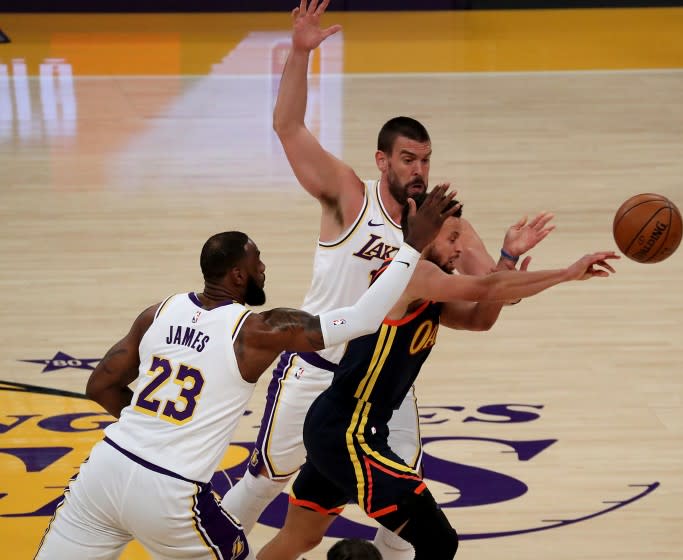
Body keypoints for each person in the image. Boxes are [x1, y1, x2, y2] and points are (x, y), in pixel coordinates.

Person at [220, 4, 555, 557]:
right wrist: (301, 51)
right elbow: (287, 127)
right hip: (316, 371)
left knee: (405, 523)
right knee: (261, 484)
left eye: (425, 159)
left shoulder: (451, 225)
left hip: (382, 390)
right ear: (383, 161)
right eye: (407, 158)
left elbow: (489, 301)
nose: (418, 170)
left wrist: (507, 256)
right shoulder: (351, 197)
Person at [33, 188, 457, 560]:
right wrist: (411, 247)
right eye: (258, 262)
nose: (264, 268)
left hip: (105, 469)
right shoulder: (256, 330)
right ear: (237, 274)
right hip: (170, 490)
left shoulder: (158, 311)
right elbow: (364, 317)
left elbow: (99, 385)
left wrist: (151, 429)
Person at [256, 197, 619, 559]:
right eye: (452, 238)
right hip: (347, 433)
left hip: (339, 427)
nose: (459, 249)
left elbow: (480, 318)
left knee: (299, 539)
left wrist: (507, 257)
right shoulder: (414, 275)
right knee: (438, 541)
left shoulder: (429, 288)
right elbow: (486, 289)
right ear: (426, 236)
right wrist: (568, 273)